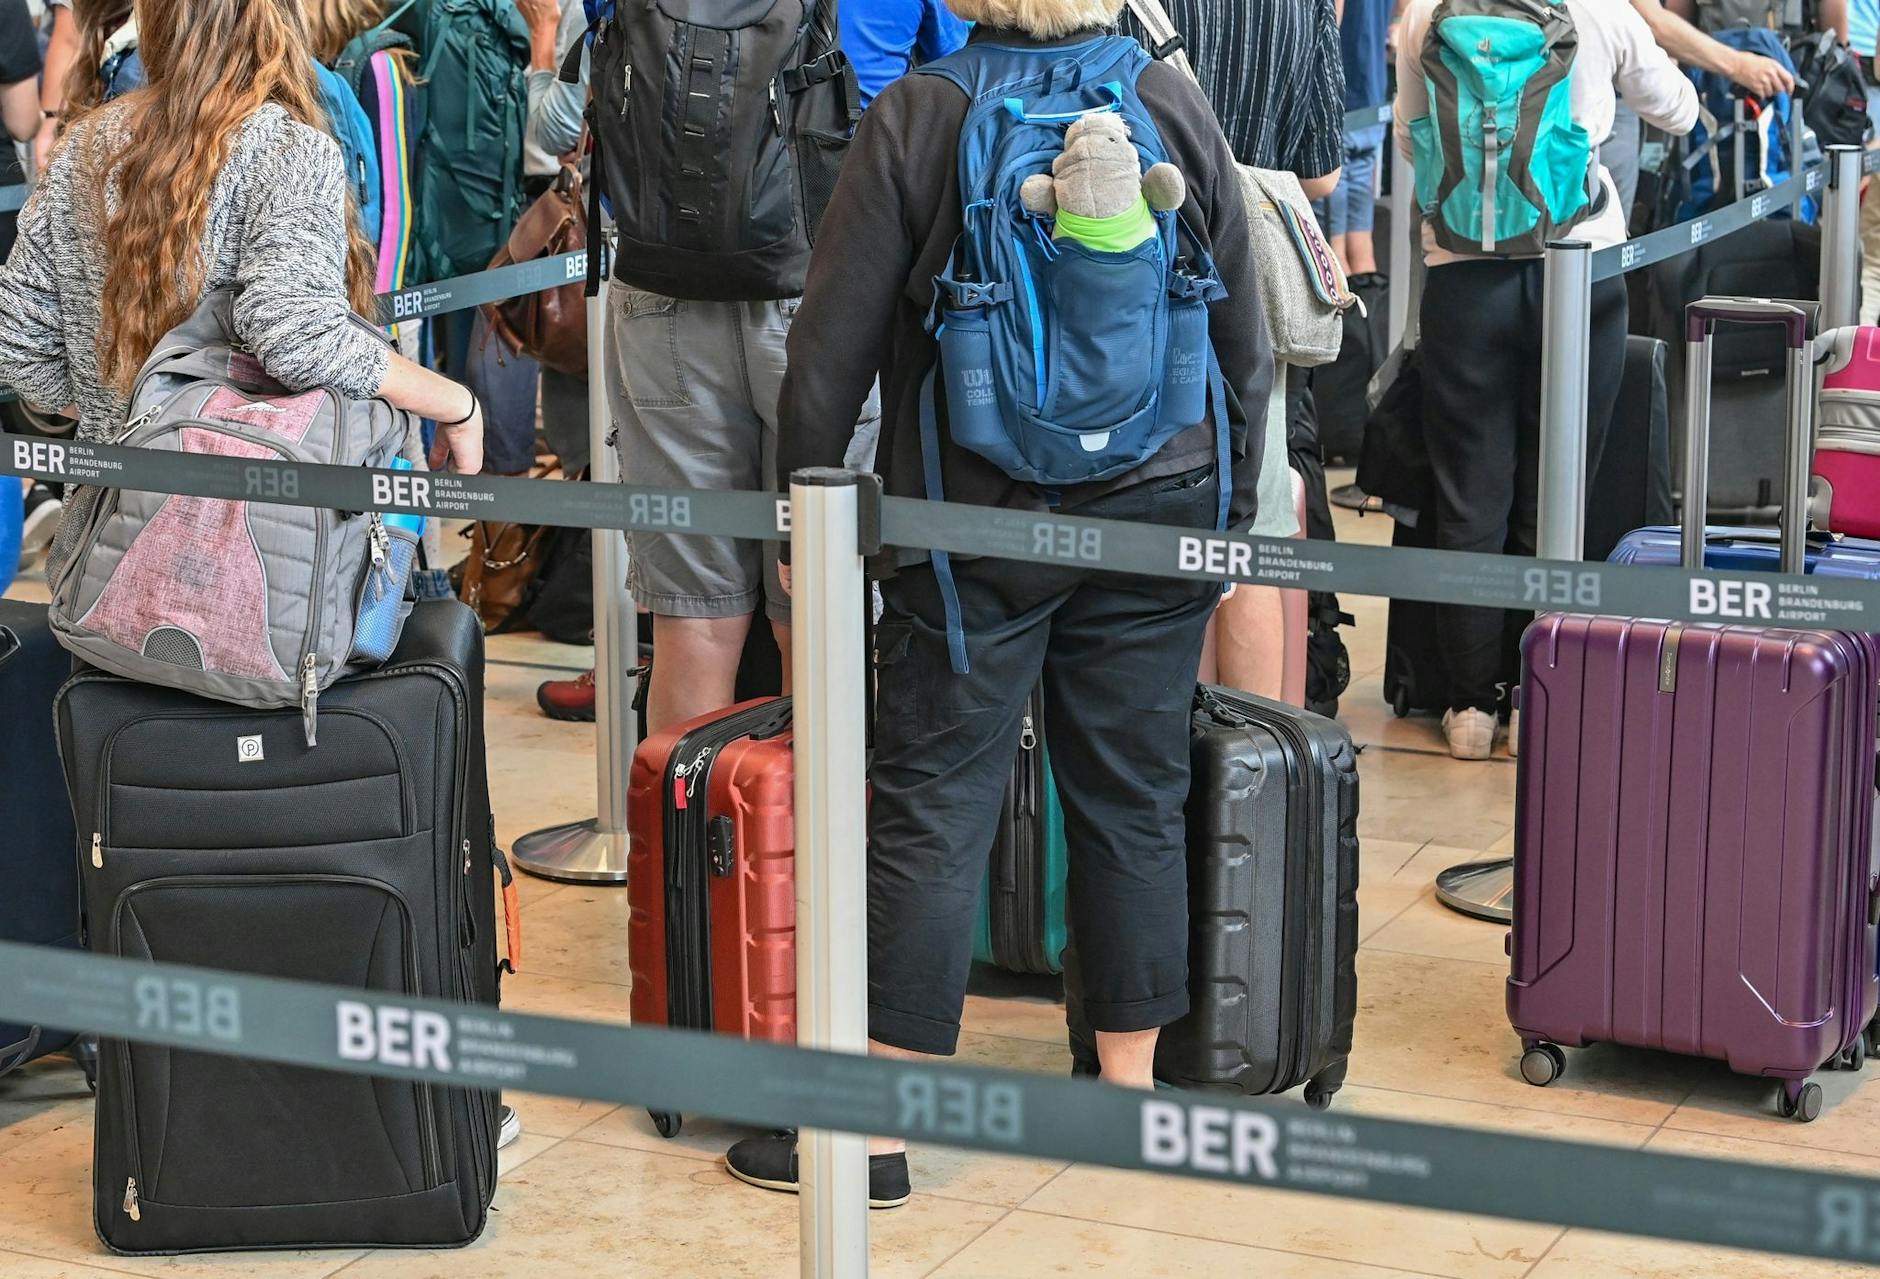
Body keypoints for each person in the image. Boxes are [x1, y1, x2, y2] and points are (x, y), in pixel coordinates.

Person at [724, 0, 1271, 1206]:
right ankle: (1128, 1099)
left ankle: (870, 1133)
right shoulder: (1166, 95)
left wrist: (798, 529)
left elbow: (827, 361)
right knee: (1134, 790)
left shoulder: (920, 115)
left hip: (974, 524)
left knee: (934, 797)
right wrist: (1226, 508)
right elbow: (1246, 322)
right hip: (1162, 501)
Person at [531, 0, 886, 729]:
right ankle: (810, 842)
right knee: (821, 610)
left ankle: (692, 842)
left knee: (691, 624)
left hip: (660, 290)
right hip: (820, 297)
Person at [1395, 0, 1697, 759]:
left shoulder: (1426, 13)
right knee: (1557, 492)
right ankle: (1542, 692)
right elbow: (1680, 111)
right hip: (1579, 274)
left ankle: (1470, 705)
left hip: (1462, 278)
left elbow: (1410, 136)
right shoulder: (1597, 10)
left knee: (1469, 498)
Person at [1117, 0, 1341, 700]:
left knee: (1155, 528)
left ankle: (1175, 775)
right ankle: (1250, 777)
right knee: (1255, 534)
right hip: (1255, 291)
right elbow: (1323, 173)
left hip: (1143, 278)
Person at [1319, 0, 1390, 277]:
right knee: (1362, 245)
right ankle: (1366, 318)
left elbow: (1330, 22)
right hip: (1372, 97)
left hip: (1336, 99)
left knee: (1331, 247)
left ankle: (1344, 321)